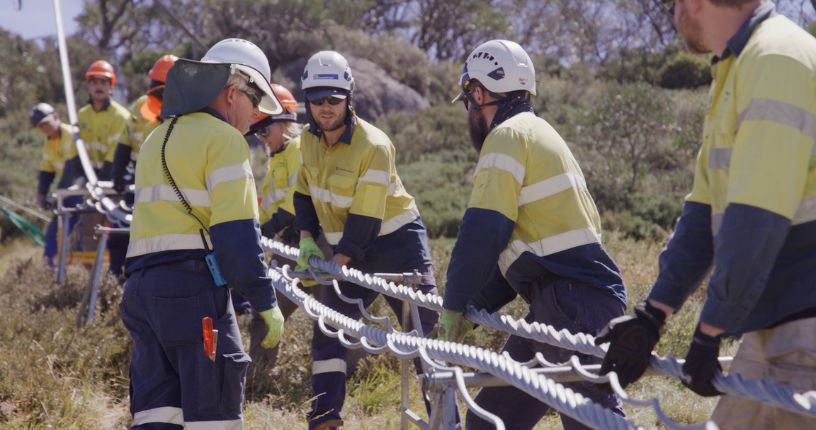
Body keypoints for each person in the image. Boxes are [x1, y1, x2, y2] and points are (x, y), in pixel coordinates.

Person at [596, 1, 816, 428]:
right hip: (778, 324)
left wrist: (711, 328)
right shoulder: (739, 63)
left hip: (804, 332)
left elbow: (757, 217)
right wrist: (652, 314)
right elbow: (703, 215)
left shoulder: (775, 58)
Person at [437, 40, 627, 430]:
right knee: (491, 420)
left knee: (593, 423)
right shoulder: (539, 133)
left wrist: (454, 304)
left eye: (469, 99)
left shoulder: (507, 136)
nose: (470, 111)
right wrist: (472, 309)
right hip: (560, 303)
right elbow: (523, 257)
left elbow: (482, 232)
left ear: (478, 93)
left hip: (574, 306)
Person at [120, 38, 286, 429]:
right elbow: (237, 238)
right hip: (193, 293)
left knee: (156, 417)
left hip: (141, 293)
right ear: (232, 93)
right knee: (215, 418)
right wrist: (266, 301)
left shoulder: (154, 139)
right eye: (256, 99)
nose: (258, 115)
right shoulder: (225, 140)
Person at [294, 50, 439, 430]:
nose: (326, 108)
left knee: (425, 331)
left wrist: (335, 269)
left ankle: (445, 420)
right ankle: (324, 419)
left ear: (348, 99)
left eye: (334, 99)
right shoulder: (305, 142)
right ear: (306, 100)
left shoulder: (374, 145)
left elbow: (367, 218)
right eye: (317, 99)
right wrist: (308, 239)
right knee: (329, 329)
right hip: (349, 248)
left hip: (396, 243)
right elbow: (303, 194)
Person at [233, 82, 310, 381]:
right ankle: (257, 376)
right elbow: (267, 204)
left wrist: (268, 228)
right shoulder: (278, 156)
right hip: (289, 245)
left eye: (265, 131)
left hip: (312, 243)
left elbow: (296, 200)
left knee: (335, 320)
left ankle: (349, 376)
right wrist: (251, 228)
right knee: (266, 309)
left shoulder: (300, 150)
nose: (262, 139)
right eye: (258, 134)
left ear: (286, 122)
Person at [112, 54, 178, 195]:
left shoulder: (186, 111)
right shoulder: (141, 104)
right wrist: (118, 175)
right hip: (138, 174)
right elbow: (125, 141)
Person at [29, 102, 75, 267]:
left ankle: (57, 267)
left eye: (45, 123)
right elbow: (47, 172)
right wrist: (41, 194)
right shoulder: (48, 144)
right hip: (67, 195)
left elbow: (72, 168)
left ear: (56, 117)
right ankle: (51, 269)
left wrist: (58, 194)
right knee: (53, 234)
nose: (44, 128)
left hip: (81, 192)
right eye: (40, 126)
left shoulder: (71, 134)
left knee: (59, 233)